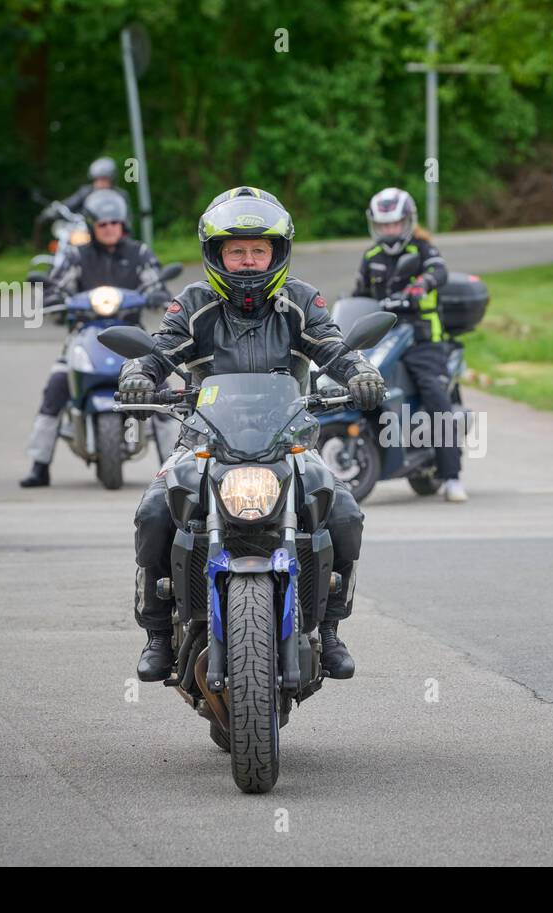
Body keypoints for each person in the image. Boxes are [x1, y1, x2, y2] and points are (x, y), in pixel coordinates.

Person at [120, 186, 385, 681]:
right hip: (202, 443)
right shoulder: (194, 303)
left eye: (258, 250)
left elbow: (334, 347)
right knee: (155, 510)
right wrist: (139, 374)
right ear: (216, 254)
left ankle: (328, 630)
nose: (247, 262)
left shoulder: (301, 300)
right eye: (235, 251)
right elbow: (159, 351)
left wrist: (360, 373)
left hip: (290, 440)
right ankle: (157, 633)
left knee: (344, 511)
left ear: (277, 252)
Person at [20, 190, 171, 487]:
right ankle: (40, 464)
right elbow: (59, 285)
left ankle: (171, 467)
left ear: (124, 224)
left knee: (162, 392)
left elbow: (156, 284)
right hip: (83, 336)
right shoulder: (77, 256)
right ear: (92, 226)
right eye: (102, 224)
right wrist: (53, 297)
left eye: (115, 222)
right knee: (56, 386)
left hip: (133, 340)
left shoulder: (138, 254)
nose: (109, 228)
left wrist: (158, 295)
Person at [352, 187, 466, 502]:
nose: (389, 231)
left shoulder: (422, 249)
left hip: (422, 339)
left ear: (408, 222)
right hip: (383, 337)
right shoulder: (372, 257)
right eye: (383, 225)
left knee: (434, 394)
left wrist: (422, 284)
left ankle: (452, 477)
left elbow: (438, 271)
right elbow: (359, 293)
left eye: (395, 224)